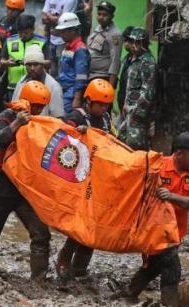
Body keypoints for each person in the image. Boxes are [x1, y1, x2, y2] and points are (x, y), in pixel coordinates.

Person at [114, 132, 189, 307]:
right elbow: (126, 164)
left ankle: (128, 293)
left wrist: (171, 197)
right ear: (179, 154)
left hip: (176, 229)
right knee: (172, 268)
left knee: (154, 266)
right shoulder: (157, 165)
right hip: (153, 229)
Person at [0, 81, 52, 281]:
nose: (37, 111)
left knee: (41, 234)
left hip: (24, 190)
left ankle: (39, 280)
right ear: (25, 102)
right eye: (34, 106)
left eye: (40, 108)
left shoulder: (39, 124)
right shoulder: (7, 116)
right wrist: (16, 124)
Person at [56, 78, 114, 280]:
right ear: (89, 102)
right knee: (80, 224)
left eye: (106, 104)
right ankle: (63, 259)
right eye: (99, 104)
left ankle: (80, 268)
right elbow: (61, 139)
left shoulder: (106, 119)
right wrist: (77, 134)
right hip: (79, 178)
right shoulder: (76, 116)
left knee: (94, 226)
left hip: (99, 179)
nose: (103, 108)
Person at [117, 27, 155, 151]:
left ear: (143, 43)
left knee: (135, 147)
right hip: (128, 110)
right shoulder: (132, 59)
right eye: (132, 41)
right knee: (120, 141)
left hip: (138, 113)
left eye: (137, 42)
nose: (133, 45)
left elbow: (147, 92)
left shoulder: (147, 62)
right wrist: (126, 105)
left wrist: (135, 110)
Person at [0, 14, 47, 102]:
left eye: (26, 33)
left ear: (32, 29)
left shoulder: (42, 41)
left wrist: (32, 62)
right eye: (20, 32)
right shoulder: (10, 41)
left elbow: (49, 62)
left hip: (35, 86)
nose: (23, 35)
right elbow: (2, 60)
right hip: (13, 87)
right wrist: (7, 63)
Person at [0, 0, 25, 115]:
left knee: (11, 96)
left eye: (14, 10)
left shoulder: (21, 25)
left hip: (14, 66)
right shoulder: (3, 21)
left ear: (20, 11)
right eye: (9, 8)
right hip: (1, 62)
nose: (10, 12)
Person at [11, 44, 64, 117]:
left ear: (42, 65)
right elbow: (14, 108)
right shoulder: (21, 82)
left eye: (36, 64)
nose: (32, 68)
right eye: (29, 65)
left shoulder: (53, 86)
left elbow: (58, 117)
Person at [56, 12, 90, 115]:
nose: (61, 35)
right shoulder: (68, 46)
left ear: (73, 30)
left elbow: (81, 76)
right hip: (63, 90)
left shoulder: (80, 49)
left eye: (63, 32)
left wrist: (77, 98)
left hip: (71, 94)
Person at [87, 1, 121, 87]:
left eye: (105, 15)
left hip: (102, 77)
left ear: (112, 16)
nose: (101, 17)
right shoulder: (98, 28)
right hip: (90, 75)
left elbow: (115, 60)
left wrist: (110, 86)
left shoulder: (114, 34)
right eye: (99, 14)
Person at [41, 0, 77, 79]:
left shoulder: (70, 1)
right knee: (52, 69)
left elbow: (63, 21)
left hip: (64, 40)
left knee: (63, 67)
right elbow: (43, 18)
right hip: (51, 38)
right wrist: (54, 18)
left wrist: (49, 16)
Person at [117, 26, 134, 110]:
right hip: (123, 104)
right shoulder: (127, 59)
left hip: (132, 107)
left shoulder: (142, 61)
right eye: (125, 41)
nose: (126, 44)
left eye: (129, 40)